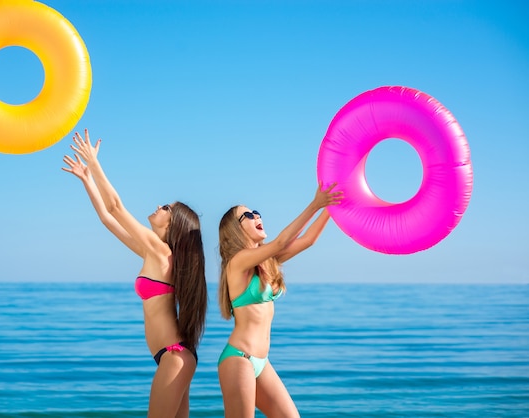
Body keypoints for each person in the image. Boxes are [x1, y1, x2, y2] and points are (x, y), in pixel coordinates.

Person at [62, 129, 208, 418]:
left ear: (174, 225)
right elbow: (107, 219)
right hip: (175, 355)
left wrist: (95, 163)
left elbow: (116, 207)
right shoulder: (156, 255)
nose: (157, 206)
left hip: (173, 355)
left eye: (165, 207)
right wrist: (87, 180)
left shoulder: (158, 250)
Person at [217, 184, 343, 417]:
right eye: (247, 215)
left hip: (261, 361)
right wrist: (316, 204)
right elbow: (279, 242)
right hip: (239, 359)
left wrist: (333, 205)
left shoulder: (267, 262)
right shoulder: (237, 262)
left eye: (256, 212)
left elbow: (308, 240)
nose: (256, 216)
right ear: (234, 230)